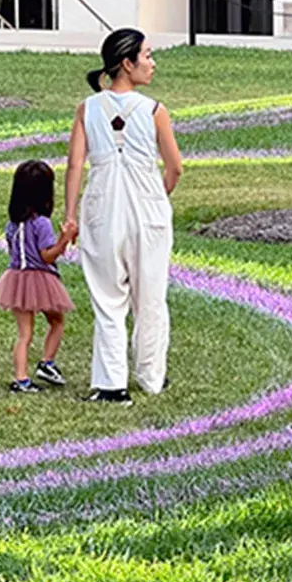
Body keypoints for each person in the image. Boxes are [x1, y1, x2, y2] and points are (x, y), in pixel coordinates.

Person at [62, 28, 183, 404]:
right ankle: (151, 376)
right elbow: (175, 167)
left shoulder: (87, 108)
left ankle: (112, 383)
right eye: (147, 56)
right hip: (148, 210)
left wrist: (69, 217)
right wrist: (157, 195)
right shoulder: (154, 110)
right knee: (150, 296)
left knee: (108, 297)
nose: (152, 63)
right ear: (126, 64)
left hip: (101, 207)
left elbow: (74, 166)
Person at [0, 160, 76, 393]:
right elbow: (47, 256)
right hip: (41, 279)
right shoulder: (42, 223)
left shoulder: (12, 225)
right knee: (56, 321)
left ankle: (21, 379)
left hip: (16, 279)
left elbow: (14, 253)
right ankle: (47, 363)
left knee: (24, 334)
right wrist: (64, 239)